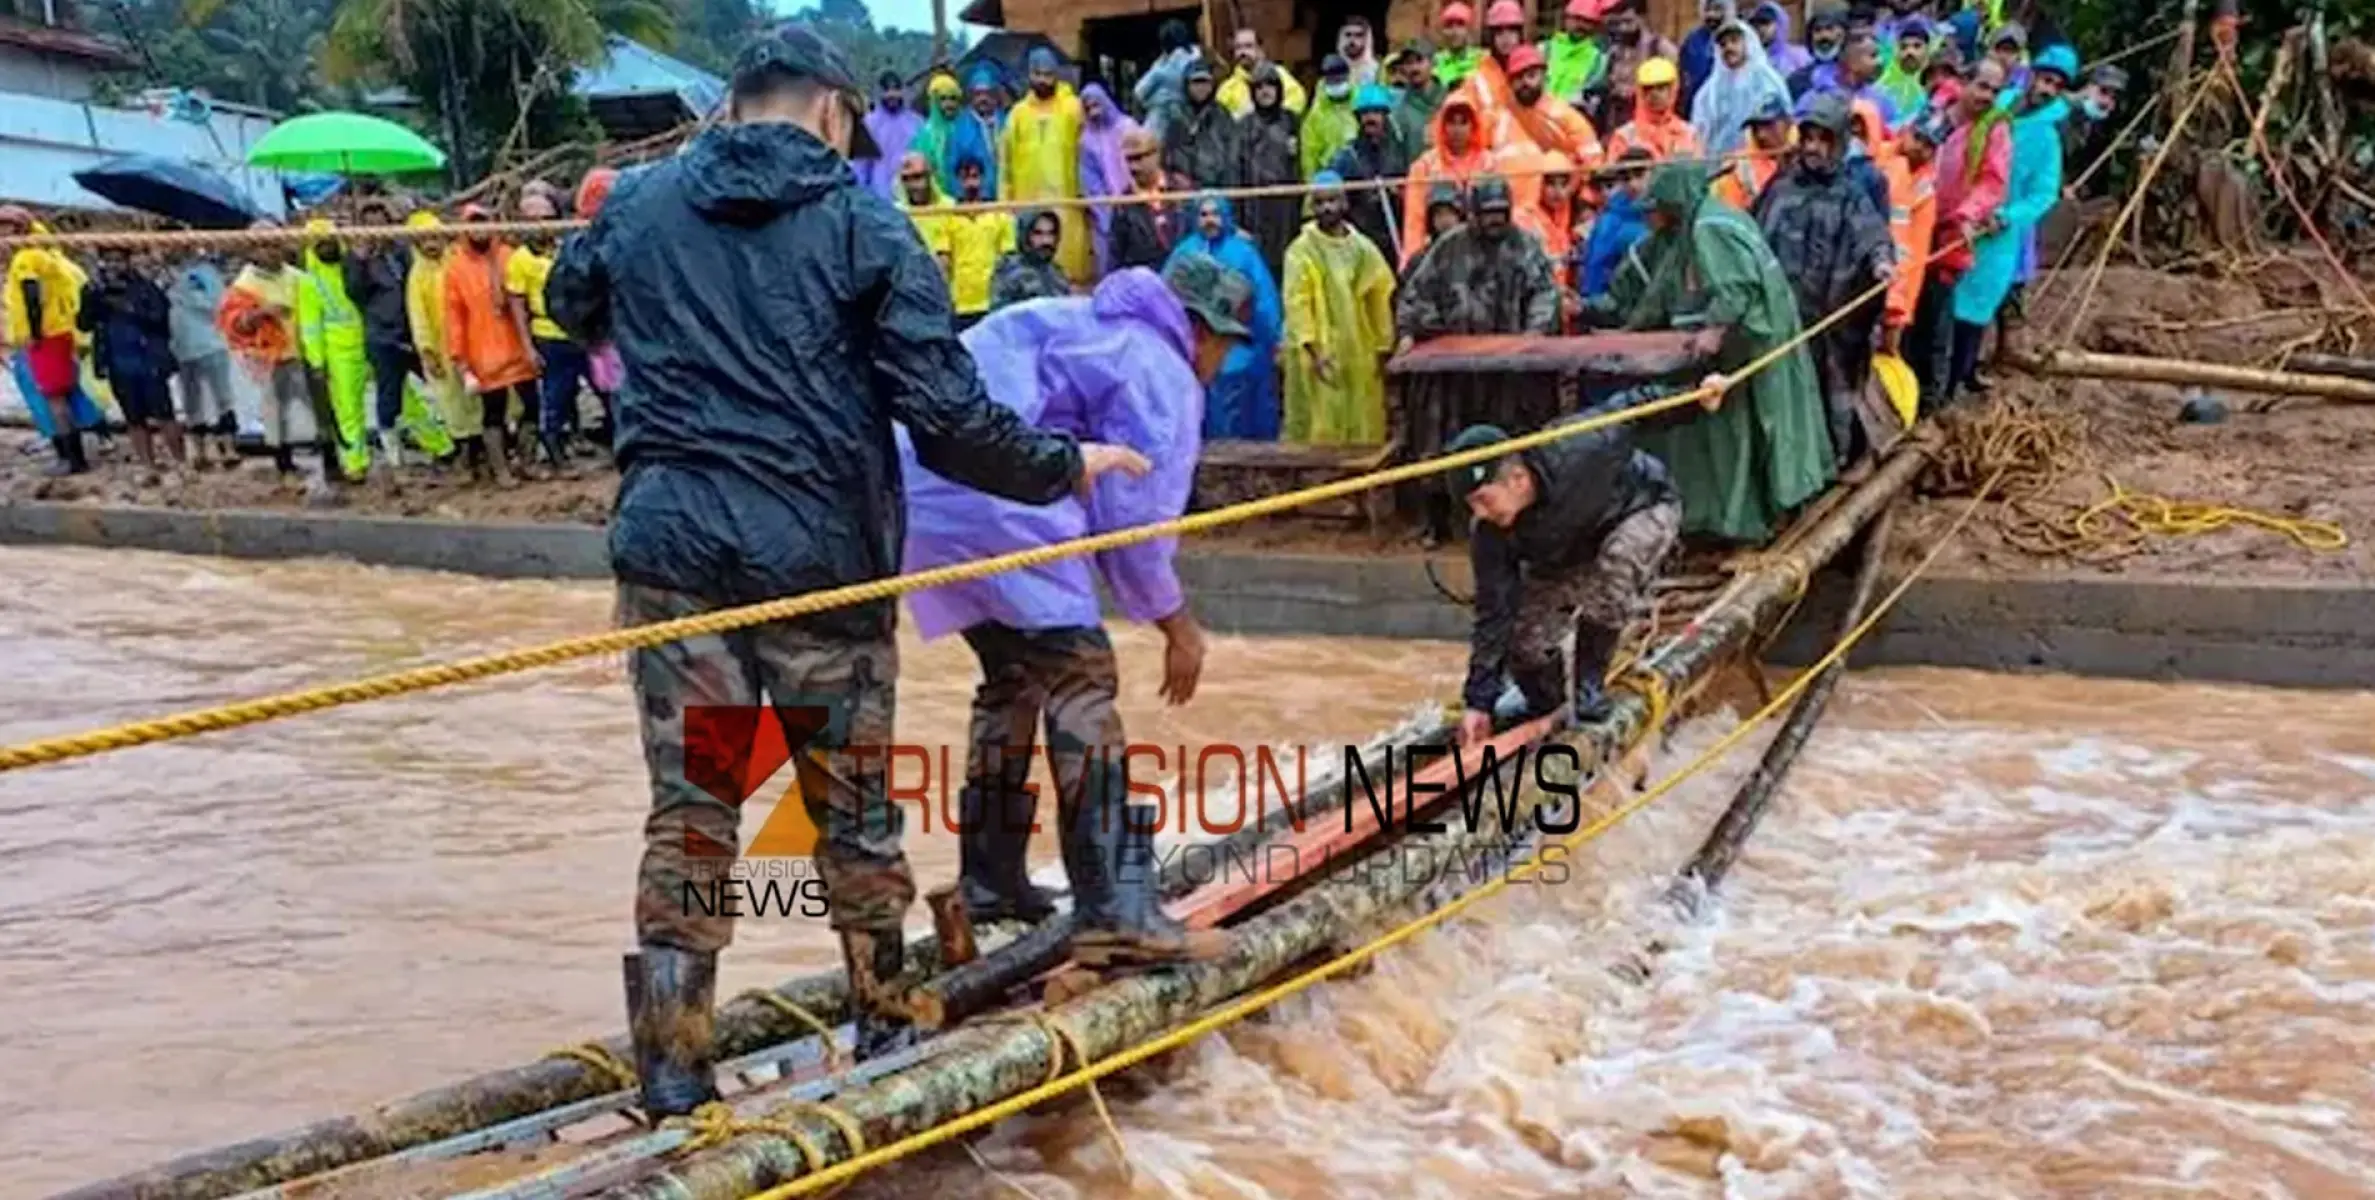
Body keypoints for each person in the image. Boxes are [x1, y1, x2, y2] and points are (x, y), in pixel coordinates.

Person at [543, 24, 1148, 1112]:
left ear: (730, 105)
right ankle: (887, 1041)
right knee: (849, 812)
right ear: (831, 109)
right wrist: (1068, 464)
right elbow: (953, 421)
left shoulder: (635, 205)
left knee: (695, 808)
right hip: (815, 563)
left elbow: (566, 302)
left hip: (673, 554)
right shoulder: (866, 224)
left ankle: (676, 1076)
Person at [902, 255, 1246, 961]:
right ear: (1201, 331)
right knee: (1080, 676)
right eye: (1224, 345)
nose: (1220, 361)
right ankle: (1115, 906)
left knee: (1013, 678)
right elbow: (1136, 523)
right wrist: (1177, 627)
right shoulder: (1162, 368)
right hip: (996, 493)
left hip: (921, 491)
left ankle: (991, 880)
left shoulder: (1080, 323)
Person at [1618, 162, 1835, 543]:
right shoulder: (1713, 220)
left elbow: (1737, 288)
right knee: (1770, 421)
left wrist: (1713, 331)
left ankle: (1748, 520)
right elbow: (1663, 291)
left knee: (1755, 428)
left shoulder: (1709, 228)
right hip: (1766, 333)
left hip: (1755, 343)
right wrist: (1628, 330)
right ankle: (1772, 508)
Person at [1446, 413, 1680, 741]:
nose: (1480, 514)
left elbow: (1634, 408)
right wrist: (1478, 702)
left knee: (1616, 567)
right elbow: (1493, 613)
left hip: (1639, 511)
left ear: (1517, 479)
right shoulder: (1489, 531)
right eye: (1472, 505)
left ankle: (1589, 688)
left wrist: (1700, 395)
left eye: (1484, 500)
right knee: (1522, 640)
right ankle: (1548, 704)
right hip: (1566, 548)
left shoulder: (1576, 450)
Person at [1394, 177, 1562, 542]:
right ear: (1473, 214)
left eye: (1500, 213)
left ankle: (1519, 520)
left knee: (1513, 443)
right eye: (1486, 214)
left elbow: (1546, 295)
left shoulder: (1526, 246)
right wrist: (1417, 330)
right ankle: (1437, 522)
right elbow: (1416, 295)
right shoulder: (1449, 248)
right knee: (1442, 443)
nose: (1494, 220)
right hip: (1454, 371)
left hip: (1509, 370)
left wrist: (1533, 336)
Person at [1751, 93, 1894, 468]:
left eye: (1823, 140)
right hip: (1782, 318)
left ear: (1839, 143)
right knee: (1781, 393)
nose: (1813, 148)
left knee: (1830, 393)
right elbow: (1751, 232)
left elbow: (1873, 236)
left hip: (1828, 323)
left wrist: (1881, 263)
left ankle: (1834, 461)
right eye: (1809, 138)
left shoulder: (1850, 193)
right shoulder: (1781, 186)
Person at [1955, 42, 2067, 390]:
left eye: (2056, 86)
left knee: (1979, 305)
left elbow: (2044, 193)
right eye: (2044, 79)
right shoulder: (1996, 107)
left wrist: (2008, 216)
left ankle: (1963, 375)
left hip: (1999, 231)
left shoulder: (2048, 138)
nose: (2047, 90)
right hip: (1959, 216)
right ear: (2031, 76)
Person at [1916, 57, 2008, 409]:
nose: (1987, 96)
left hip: (1949, 235)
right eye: (1983, 86)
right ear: (1965, 82)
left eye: (1995, 91)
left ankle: (1933, 403)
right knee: (1904, 317)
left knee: (1938, 323)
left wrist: (1968, 215)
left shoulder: (1994, 129)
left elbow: (1991, 182)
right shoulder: (1936, 110)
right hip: (1914, 224)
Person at [1282, 173, 1397, 445]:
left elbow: (1380, 298)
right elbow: (1297, 303)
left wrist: (1383, 347)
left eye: (1333, 200)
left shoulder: (1363, 249)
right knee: (1321, 426)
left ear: (1345, 202)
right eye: (1319, 202)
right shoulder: (1301, 251)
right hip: (1318, 355)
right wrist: (1314, 351)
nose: (1327, 208)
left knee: (1362, 425)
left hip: (1359, 352)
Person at [218, 223, 331, 488]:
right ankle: (285, 466)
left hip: (305, 352)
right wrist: (262, 313)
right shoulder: (244, 285)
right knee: (276, 413)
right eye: (264, 245)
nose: (271, 250)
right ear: (251, 250)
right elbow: (233, 324)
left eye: (275, 243)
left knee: (316, 409)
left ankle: (327, 463)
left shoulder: (297, 276)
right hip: (268, 357)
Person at [343, 202, 452, 477]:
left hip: (412, 332)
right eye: (370, 224)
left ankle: (454, 443)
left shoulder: (403, 252)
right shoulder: (357, 259)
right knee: (389, 397)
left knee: (443, 383)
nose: (378, 229)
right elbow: (355, 293)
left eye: (383, 222)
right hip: (383, 337)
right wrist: (360, 259)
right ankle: (394, 458)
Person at [1166, 194, 1283, 440]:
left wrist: (1272, 338)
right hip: (1195, 352)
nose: (1210, 220)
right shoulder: (1184, 253)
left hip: (1239, 348)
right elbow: (1166, 300)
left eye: (1215, 214)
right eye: (1204, 214)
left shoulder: (1244, 253)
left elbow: (1264, 299)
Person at [442, 204, 538, 484]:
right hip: (483, 351)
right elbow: (454, 318)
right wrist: (459, 359)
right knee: (493, 411)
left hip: (517, 345)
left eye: (484, 221)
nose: (480, 229)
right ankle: (500, 469)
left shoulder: (509, 256)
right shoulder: (456, 269)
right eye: (473, 223)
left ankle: (525, 459)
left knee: (532, 405)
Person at [2, 205, 98, 475]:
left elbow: (32, 296)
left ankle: (71, 459)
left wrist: (33, 333)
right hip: (57, 332)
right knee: (61, 394)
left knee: (54, 398)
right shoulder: (45, 253)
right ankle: (72, 455)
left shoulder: (26, 258)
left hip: (45, 335)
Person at [79, 250, 183, 476]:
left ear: (128, 261)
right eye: (108, 260)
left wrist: (125, 306)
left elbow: (161, 320)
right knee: (133, 418)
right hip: (117, 363)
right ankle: (148, 466)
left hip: (148, 360)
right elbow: (83, 324)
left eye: (118, 260)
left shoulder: (145, 287)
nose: (113, 265)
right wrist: (91, 298)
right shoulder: (96, 289)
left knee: (164, 414)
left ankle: (180, 463)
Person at [506, 190, 587, 470]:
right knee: (555, 395)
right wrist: (527, 347)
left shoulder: (570, 245)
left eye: (548, 218)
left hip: (583, 330)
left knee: (605, 387)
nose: (542, 225)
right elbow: (517, 305)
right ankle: (554, 450)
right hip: (549, 333)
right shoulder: (520, 259)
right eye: (534, 219)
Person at [292, 219, 379, 482]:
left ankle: (441, 447)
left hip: (370, 341)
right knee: (348, 410)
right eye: (320, 243)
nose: (327, 246)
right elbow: (310, 327)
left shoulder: (351, 266)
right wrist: (317, 362)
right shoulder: (310, 282)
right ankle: (355, 464)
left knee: (405, 400)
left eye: (330, 241)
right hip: (338, 352)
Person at [1002, 48, 1090, 283]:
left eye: (1048, 74)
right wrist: (1005, 203)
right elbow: (1005, 164)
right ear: (1029, 76)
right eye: (1037, 74)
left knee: (1071, 273)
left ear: (1057, 75)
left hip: (1067, 202)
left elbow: (1089, 154)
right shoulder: (1017, 115)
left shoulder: (1074, 108)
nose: (1043, 80)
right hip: (1027, 203)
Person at [405, 210, 482, 466]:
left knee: (477, 395)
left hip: (471, 341)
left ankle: (484, 446)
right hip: (440, 345)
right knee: (450, 398)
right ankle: (464, 447)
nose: (431, 245)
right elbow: (419, 318)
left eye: (435, 238)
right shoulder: (418, 275)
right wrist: (427, 351)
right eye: (425, 240)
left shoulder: (458, 261)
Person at [1401, 94, 1501, 267]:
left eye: (1463, 122)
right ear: (1442, 125)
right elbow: (1414, 221)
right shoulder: (1424, 166)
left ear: (1473, 126)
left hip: (1484, 250)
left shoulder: (1490, 163)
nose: (1457, 129)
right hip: (1438, 251)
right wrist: (1411, 263)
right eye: (1451, 122)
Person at [1879, 110, 1946, 360]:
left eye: (1929, 145)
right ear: (1906, 131)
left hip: (1887, 287)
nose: (1920, 148)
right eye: (1918, 138)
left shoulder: (1924, 194)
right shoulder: (1873, 158)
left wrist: (1901, 313)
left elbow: (1915, 257)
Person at [166, 250, 237, 468]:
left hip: (211, 345)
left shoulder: (206, 272)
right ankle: (199, 450)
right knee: (191, 402)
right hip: (181, 348)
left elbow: (219, 306)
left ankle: (228, 447)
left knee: (222, 398)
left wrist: (184, 294)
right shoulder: (162, 275)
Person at [1237, 64, 1304, 278]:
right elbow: (1237, 169)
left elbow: (1301, 164)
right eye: (1259, 87)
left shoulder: (1292, 121)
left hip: (1287, 208)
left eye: (1270, 86)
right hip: (1255, 208)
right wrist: (1239, 217)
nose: (1265, 91)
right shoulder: (1244, 125)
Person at [1331, 84, 1413, 259]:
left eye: (1376, 112)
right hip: (1361, 238)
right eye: (1365, 113)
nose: (1370, 118)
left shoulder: (1400, 152)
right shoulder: (1348, 155)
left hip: (1396, 235)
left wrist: (1399, 193)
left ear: (1385, 115)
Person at [1691, 18, 1792, 157]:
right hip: (1718, 168)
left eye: (1734, 41)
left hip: (1763, 162)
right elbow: (1699, 133)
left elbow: (1784, 123)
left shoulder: (1768, 80)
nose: (1728, 48)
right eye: (1723, 44)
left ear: (1748, 43)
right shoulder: (1708, 93)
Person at [1495, 43, 1604, 165]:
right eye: (1518, 78)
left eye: (1531, 76)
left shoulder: (1562, 115)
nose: (1524, 83)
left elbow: (1593, 158)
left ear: (1543, 76)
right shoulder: (1504, 112)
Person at [942, 150, 1014, 325]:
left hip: (992, 300)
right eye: (965, 177)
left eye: (975, 176)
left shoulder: (999, 214)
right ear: (957, 180)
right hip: (960, 302)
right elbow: (944, 261)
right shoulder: (947, 218)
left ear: (982, 178)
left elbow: (1008, 259)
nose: (970, 183)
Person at [1077, 82, 1141, 276]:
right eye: (1088, 107)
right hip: (1106, 213)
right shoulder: (1086, 140)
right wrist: (1105, 213)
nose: (1094, 110)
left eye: (1097, 104)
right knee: (1108, 266)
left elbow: (1142, 162)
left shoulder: (1128, 127)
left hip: (1136, 204)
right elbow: (1090, 180)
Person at [1590, 0, 1678, 134]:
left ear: (1641, 18)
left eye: (1628, 21)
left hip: (1652, 119)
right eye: (1618, 23)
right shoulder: (1613, 52)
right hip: (1618, 118)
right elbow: (1603, 82)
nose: (1623, 28)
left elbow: (1673, 86)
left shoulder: (1659, 47)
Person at [1577, 148, 1656, 298]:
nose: (1633, 184)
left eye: (1639, 175)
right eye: (1626, 178)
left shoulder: (1668, 209)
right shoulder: (1610, 222)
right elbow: (1596, 268)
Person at [1163, 59, 1240, 190]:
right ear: (1186, 85)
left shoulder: (1223, 116)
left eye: (1205, 82)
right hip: (1185, 192)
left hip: (1218, 191)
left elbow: (1232, 156)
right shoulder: (1177, 117)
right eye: (1196, 82)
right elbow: (1169, 158)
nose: (1201, 87)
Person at [1107, 129, 1176, 271]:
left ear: (1156, 154)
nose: (1133, 167)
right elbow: (1115, 256)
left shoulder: (1182, 189)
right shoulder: (1123, 205)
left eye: (1138, 158)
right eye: (1128, 160)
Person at [1606, 57, 1700, 161]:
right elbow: (1614, 175)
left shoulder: (1688, 133)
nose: (1654, 94)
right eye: (1648, 89)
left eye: (1660, 88)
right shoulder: (1624, 137)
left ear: (1673, 90)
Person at [1714, 95, 1794, 208]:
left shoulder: (1804, 155)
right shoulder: (1740, 166)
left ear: (1787, 123)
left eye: (1768, 125)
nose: (1762, 135)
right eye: (1756, 128)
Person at [989, 209, 1074, 311]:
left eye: (1051, 233)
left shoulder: (1057, 272)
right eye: (1038, 234)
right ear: (1025, 235)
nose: (1046, 241)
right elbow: (1001, 319)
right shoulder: (1009, 271)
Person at [858, 70, 923, 200]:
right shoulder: (868, 124)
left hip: (911, 197)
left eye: (896, 89)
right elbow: (860, 166)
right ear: (880, 93)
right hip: (879, 199)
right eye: (887, 90)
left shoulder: (917, 123)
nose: (892, 94)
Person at [1134, 18, 1200, 141]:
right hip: (1190, 117)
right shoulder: (1197, 56)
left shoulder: (1165, 64)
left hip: (1163, 117)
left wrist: (1151, 101)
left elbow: (1139, 91)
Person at [1219, 26, 1308, 115]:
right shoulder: (1227, 89)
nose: (1243, 52)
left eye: (1248, 46)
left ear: (1260, 49)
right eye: (1238, 47)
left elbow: (1297, 100)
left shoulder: (1279, 75)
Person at [1303, 55, 1361, 180]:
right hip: (1329, 175)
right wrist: (1311, 187)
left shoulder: (1360, 104)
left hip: (1361, 172)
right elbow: (1309, 156)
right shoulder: (1316, 115)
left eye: (1340, 79)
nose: (1337, 83)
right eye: (1332, 80)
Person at [911, 72, 966, 195]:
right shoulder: (925, 136)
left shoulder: (967, 129)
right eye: (943, 99)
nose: (949, 104)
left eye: (953, 98)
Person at [957, 63, 1007, 197]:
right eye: (978, 94)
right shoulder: (960, 129)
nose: (983, 99)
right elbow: (953, 171)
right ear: (971, 96)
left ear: (995, 94)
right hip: (975, 201)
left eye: (988, 93)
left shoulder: (1008, 123)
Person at [1391, 41, 1448, 156]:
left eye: (1419, 60)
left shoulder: (1450, 99)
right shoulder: (1398, 108)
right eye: (1408, 63)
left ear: (1433, 62)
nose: (1414, 68)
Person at [1548, 0, 1608, 104]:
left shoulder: (1598, 59)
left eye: (1587, 21)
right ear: (1566, 19)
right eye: (1577, 19)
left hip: (1572, 116)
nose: (1581, 25)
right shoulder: (1544, 49)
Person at [1875, 16, 1933, 122]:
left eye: (1917, 46)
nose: (1909, 52)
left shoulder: (1933, 81)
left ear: (1928, 49)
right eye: (1904, 47)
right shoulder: (1882, 71)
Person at [1677, 0, 1729, 113]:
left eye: (1717, 9)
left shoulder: (1736, 37)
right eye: (1708, 10)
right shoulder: (1692, 40)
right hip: (1696, 106)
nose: (1712, 15)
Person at [1787, 9, 1848, 98]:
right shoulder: (1797, 80)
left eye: (1829, 29)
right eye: (1818, 30)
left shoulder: (1853, 75)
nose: (1824, 35)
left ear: (1841, 35)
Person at [1751, 2, 1813, 79]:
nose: (1760, 28)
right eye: (1756, 24)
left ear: (1779, 24)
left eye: (1766, 23)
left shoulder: (1798, 56)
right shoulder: (1752, 59)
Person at [1435, 3, 1483, 88]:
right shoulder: (1436, 62)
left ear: (1468, 29)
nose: (1455, 32)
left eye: (1460, 25)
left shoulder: (1482, 60)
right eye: (1449, 26)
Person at [1340, 16, 1383, 87]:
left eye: (1358, 35)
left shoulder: (1377, 70)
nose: (1352, 41)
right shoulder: (1332, 69)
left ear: (1367, 38)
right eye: (1348, 35)